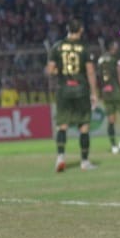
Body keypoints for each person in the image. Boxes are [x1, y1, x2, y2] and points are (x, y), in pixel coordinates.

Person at [45, 18, 99, 172]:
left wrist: (62, 72)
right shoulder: (84, 48)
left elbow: (50, 71)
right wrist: (94, 93)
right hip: (80, 89)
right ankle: (84, 161)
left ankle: (60, 157)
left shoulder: (57, 47)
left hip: (63, 89)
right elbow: (90, 71)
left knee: (62, 125)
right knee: (84, 126)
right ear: (80, 30)